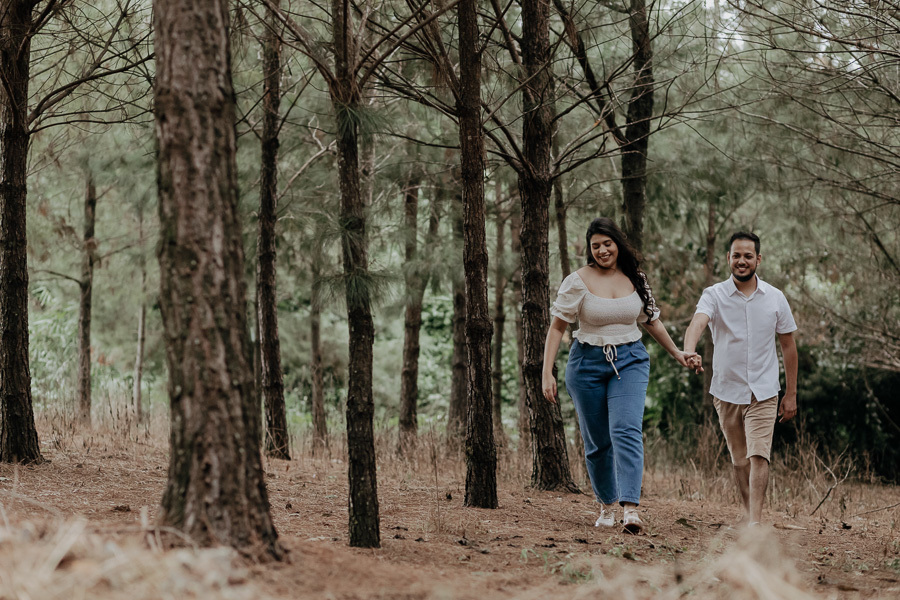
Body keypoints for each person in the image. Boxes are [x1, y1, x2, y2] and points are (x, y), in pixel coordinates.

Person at [542, 217, 697, 534]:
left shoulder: (635, 278)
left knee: (626, 429)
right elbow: (557, 327)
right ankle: (607, 504)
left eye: (607, 244)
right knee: (597, 442)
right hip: (586, 364)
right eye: (595, 246)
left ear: (617, 244)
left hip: (629, 361)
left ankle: (631, 509)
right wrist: (547, 372)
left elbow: (651, 321)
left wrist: (677, 353)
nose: (602, 250)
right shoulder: (577, 281)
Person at [683, 231, 798, 528]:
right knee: (740, 460)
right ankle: (749, 514)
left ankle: (755, 523)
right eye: (736, 255)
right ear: (728, 258)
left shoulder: (775, 298)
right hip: (727, 390)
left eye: (748, 256)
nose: (742, 261)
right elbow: (698, 322)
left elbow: (788, 345)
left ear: (758, 259)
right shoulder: (714, 295)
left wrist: (791, 394)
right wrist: (689, 350)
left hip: (764, 390)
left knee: (759, 455)